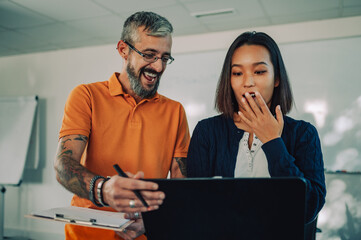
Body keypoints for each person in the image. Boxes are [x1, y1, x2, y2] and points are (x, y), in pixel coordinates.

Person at [54, 11, 189, 240]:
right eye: (149, 55)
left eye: (165, 58)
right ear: (123, 50)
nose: (158, 67)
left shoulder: (175, 111)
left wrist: (151, 220)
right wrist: (103, 190)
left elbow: (182, 187)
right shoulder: (86, 96)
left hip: (144, 233)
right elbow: (63, 165)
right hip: (87, 234)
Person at [186, 32, 326, 225]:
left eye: (259, 72)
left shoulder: (303, 134)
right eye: (237, 73)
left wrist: (273, 142)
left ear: (276, 78)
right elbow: (194, 204)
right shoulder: (207, 132)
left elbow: (309, 209)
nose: (247, 82)